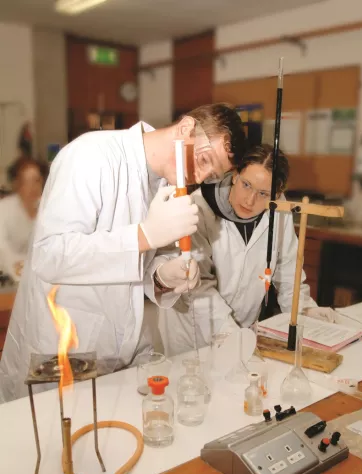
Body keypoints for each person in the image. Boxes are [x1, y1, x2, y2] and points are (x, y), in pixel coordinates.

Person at [0, 104, 246, 403]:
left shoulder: (165, 184)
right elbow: (49, 255)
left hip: (121, 349)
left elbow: (136, 265)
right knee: (55, 443)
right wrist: (143, 235)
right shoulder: (91, 156)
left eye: (212, 174)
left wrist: (163, 276)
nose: (201, 174)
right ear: (185, 129)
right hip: (62, 347)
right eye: (205, 159)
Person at [158, 144, 335, 356]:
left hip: (244, 332)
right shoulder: (200, 208)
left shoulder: (279, 210)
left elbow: (287, 269)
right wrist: (231, 334)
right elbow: (198, 286)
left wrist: (303, 309)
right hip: (192, 336)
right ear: (234, 175)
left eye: (262, 193)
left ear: (277, 194)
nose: (250, 200)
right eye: (246, 185)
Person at [0, 158, 47, 283]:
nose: (33, 187)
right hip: (8, 278)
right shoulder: (3, 209)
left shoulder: (48, 209)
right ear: (17, 184)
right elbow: (3, 250)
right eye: (27, 181)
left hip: (42, 278)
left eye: (36, 181)